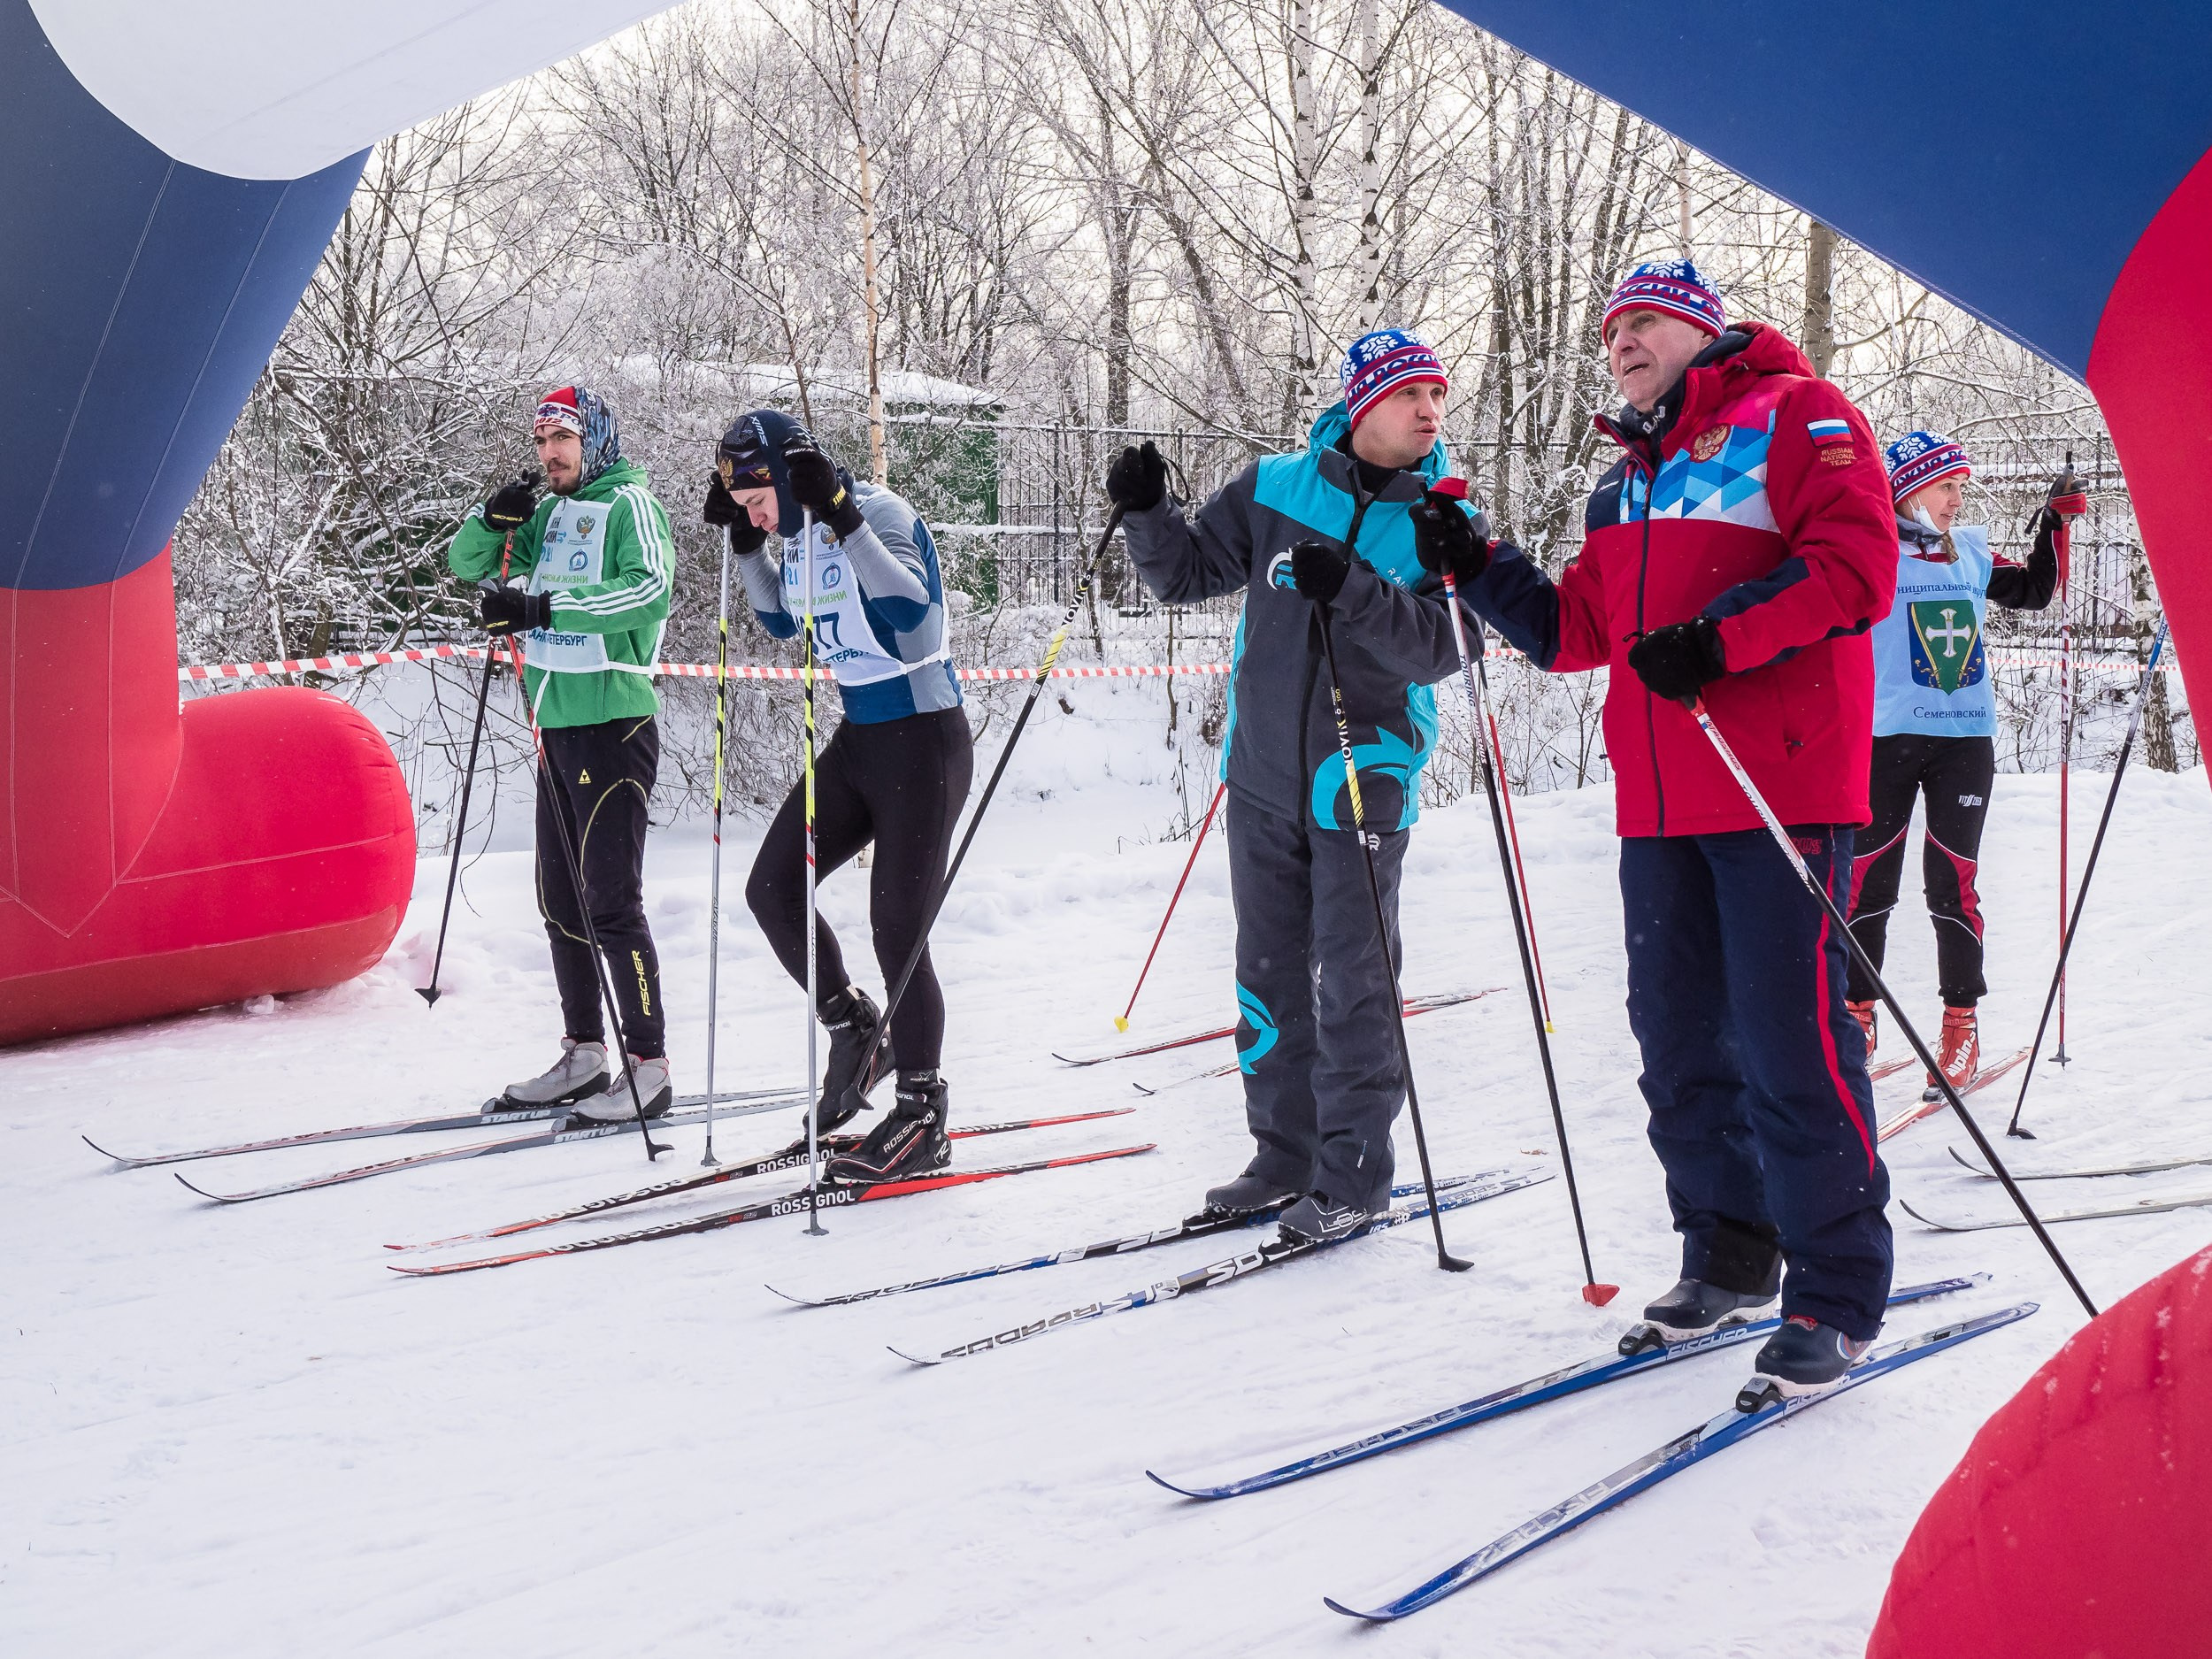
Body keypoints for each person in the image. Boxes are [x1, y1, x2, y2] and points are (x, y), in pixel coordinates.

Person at [1462, 261, 1901, 1395]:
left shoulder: (1799, 416)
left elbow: (1855, 569)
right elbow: (1574, 634)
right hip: (1659, 802)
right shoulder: (1625, 485)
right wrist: (1476, 563)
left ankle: (1837, 1290)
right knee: (1674, 1036)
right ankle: (1729, 1249)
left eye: (1642, 324)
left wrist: (1718, 637)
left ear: (1701, 334)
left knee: (1789, 1041)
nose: (1621, 345)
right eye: (1609, 332)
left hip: (1779, 790)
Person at [1107, 328, 1479, 1245]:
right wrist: (1147, 512)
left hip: (1363, 775)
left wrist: (1351, 586)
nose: (1429, 412)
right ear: (1360, 404)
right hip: (1264, 771)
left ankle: (1353, 1173)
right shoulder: (1275, 489)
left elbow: (1443, 648)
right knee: (1264, 972)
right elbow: (1185, 576)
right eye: (1408, 395)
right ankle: (1283, 1156)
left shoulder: (1440, 514)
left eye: (1436, 397)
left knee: (1353, 979)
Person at [714, 411, 973, 1182]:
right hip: (862, 740)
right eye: (745, 503)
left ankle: (924, 1115)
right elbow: (781, 621)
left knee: (897, 925)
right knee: (772, 889)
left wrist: (843, 516)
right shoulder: (793, 538)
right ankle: (857, 1027)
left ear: (790, 480)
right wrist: (747, 544)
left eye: (757, 498)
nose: (755, 511)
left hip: (924, 736)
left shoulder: (879, 513)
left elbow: (913, 618)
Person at [449, 385, 677, 1121]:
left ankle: (650, 1063)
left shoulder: (629, 504)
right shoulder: (545, 511)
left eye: (564, 440)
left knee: (612, 901)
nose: (550, 455)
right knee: (561, 901)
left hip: (615, 723)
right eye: (543, 441)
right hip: (555, 725)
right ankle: (585, 1053)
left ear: (595, 440)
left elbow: (648, 591)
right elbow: (464, 561)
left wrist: (543, 608)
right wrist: (493, 517)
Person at [1846, 433, 2081, 1098]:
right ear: (1910, 489)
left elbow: (2037, 589)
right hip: (1884, 741)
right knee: (1867, 885)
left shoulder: (1970, 551)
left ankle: (1960, 1024)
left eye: (1960, 487)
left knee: (1952, 887)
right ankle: (1855, 1016)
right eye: (1946, 486)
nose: (1957, 499)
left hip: (1962, 746)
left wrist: (2055, 522)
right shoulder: (1869, 554)